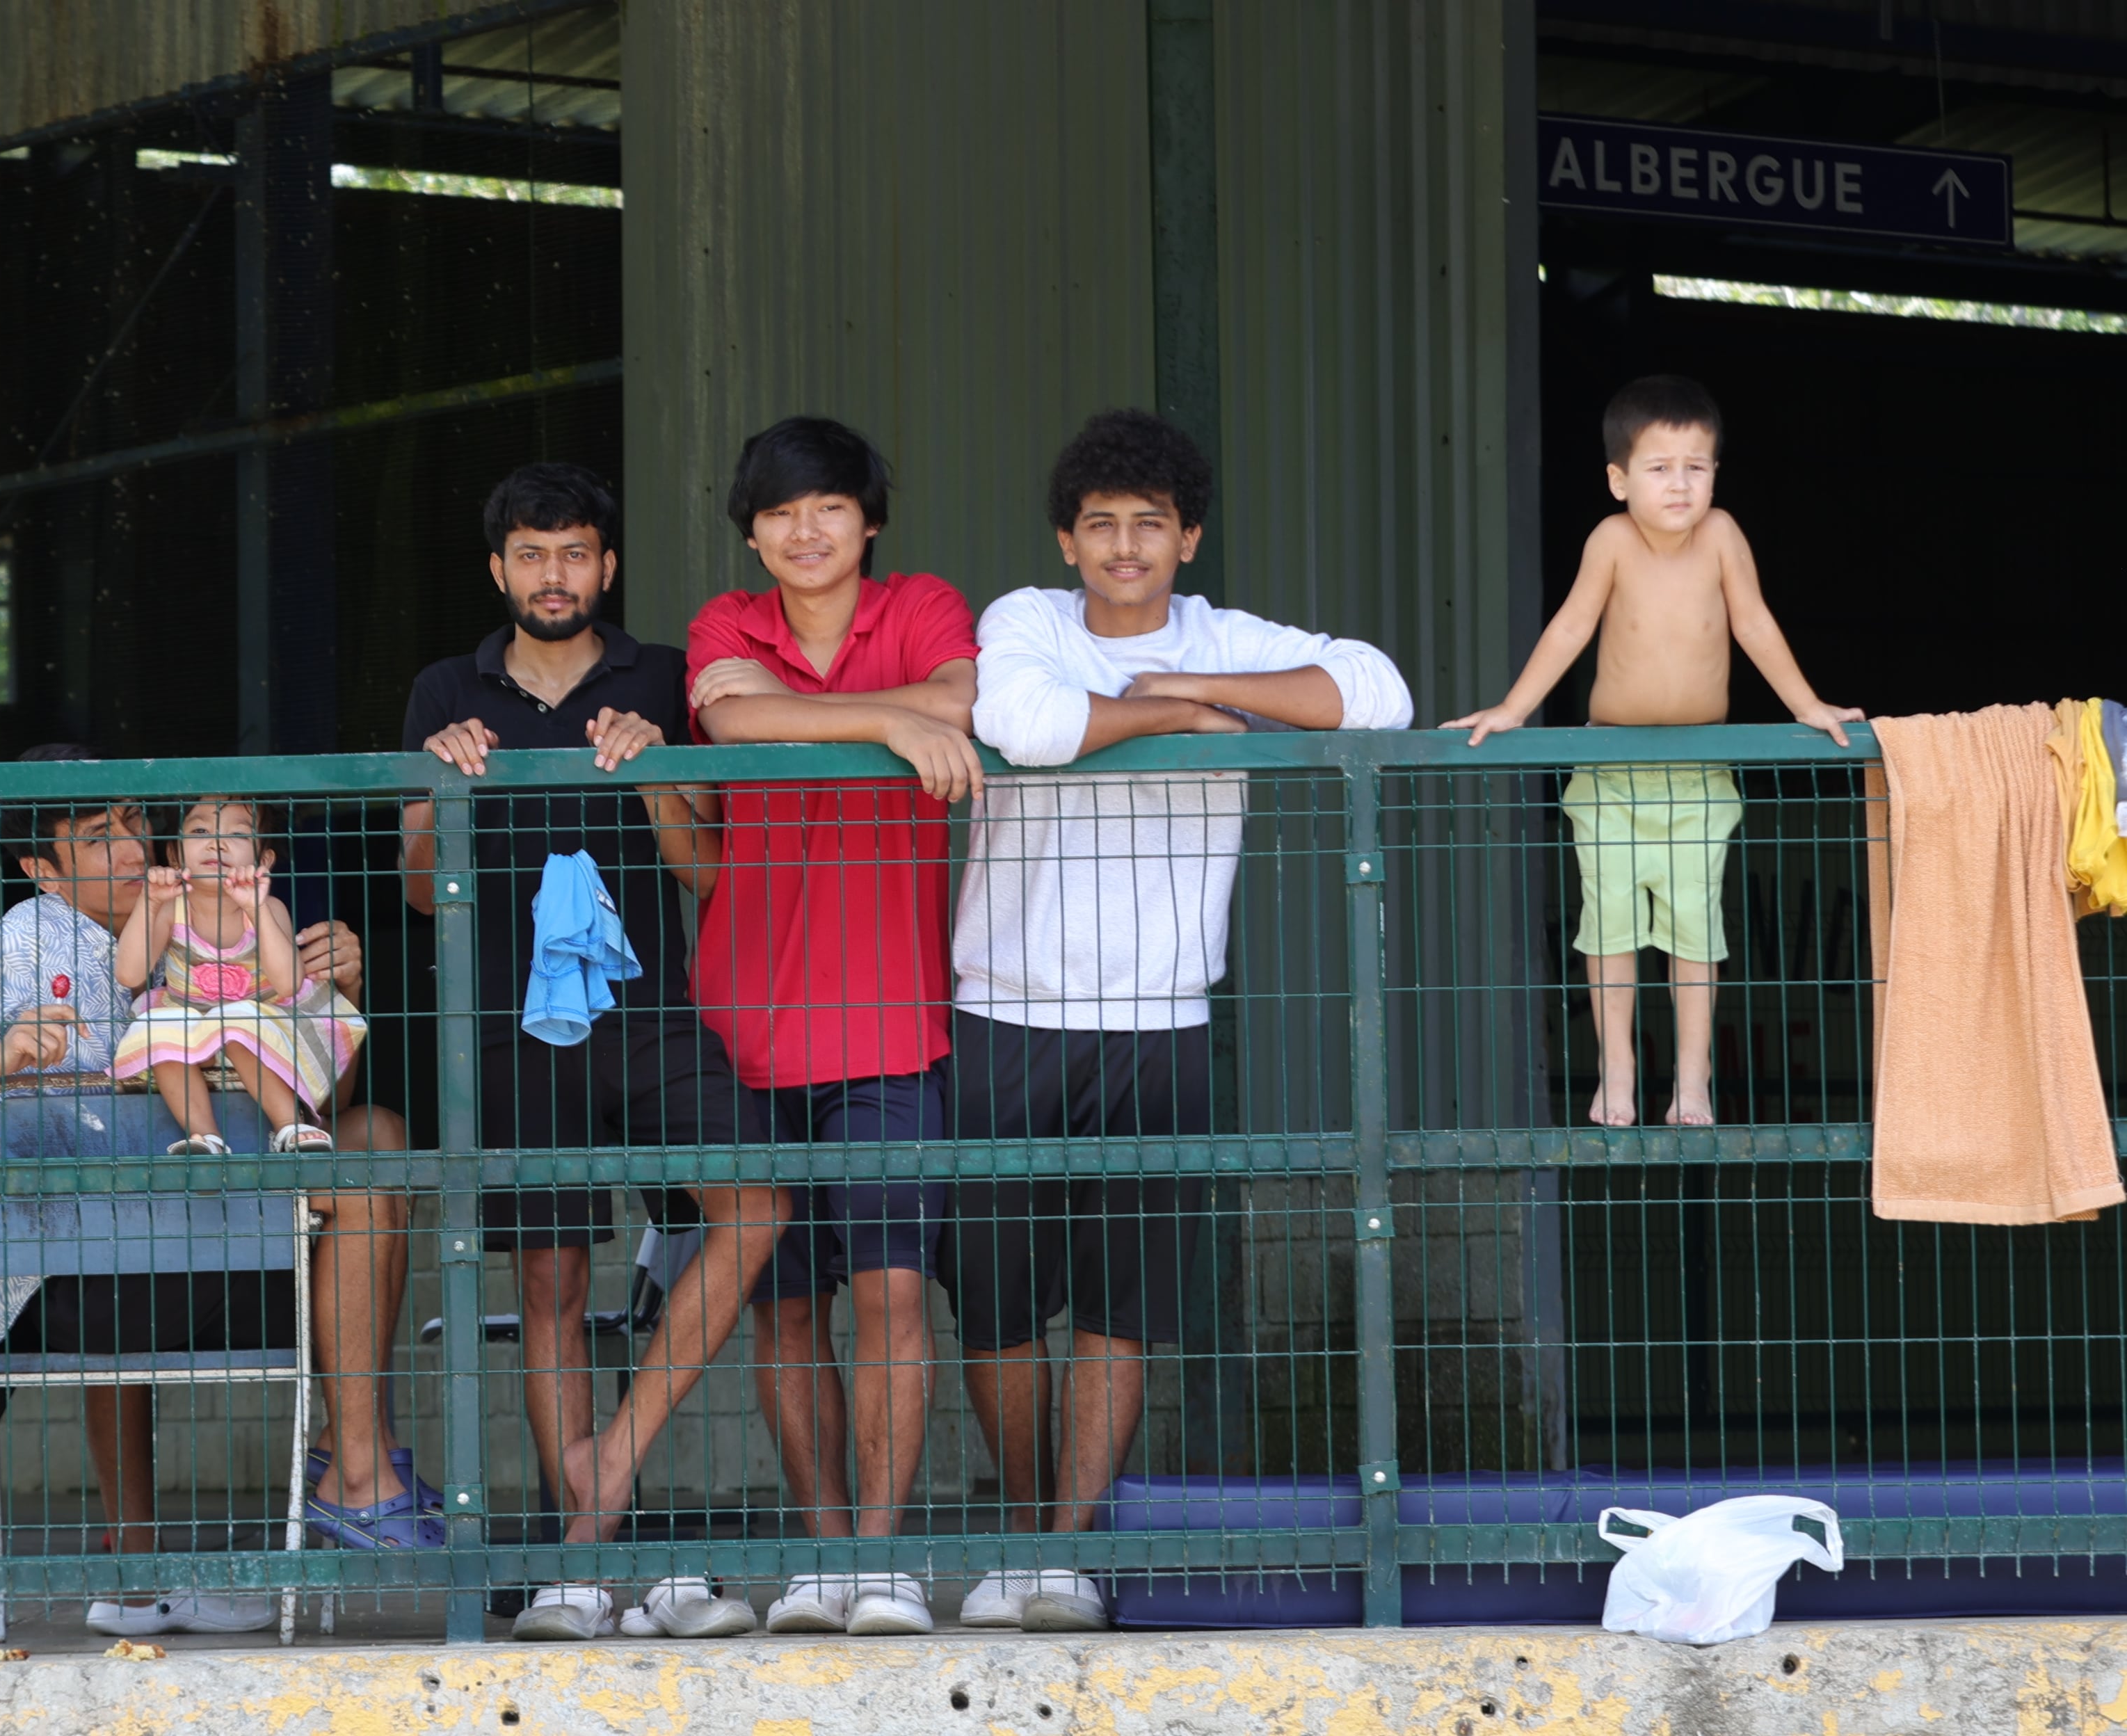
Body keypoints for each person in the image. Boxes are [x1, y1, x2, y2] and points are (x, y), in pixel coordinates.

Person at [951, 409, 1414, 1630]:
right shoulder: (1024, 623)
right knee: (997, 1306)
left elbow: (1380, 692)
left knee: (1123, 1304)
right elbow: (1027, 727)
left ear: (1186, 537)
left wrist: (1200, 681)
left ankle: (1064, 1553)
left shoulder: (1226, 639)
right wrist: (1168, 717)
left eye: (1145, 525)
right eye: (1097, 525)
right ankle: (1016, 1531)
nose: (1120, 547)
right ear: (1064, 538)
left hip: (1160, 1018)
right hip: (1004, 1008)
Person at [0, 746, 422, 1639]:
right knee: (122, 1235)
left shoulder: (216, 915)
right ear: (41, 869)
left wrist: (332, 989)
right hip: (75, 1279)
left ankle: (349, 1464)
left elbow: (309, 1111)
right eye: (98, 838)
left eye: (138, 823)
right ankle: (146, 1563)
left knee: (377, 1139)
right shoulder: (17, 942)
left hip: (220, 1230)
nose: (134, 848)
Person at [398, 462, 788, 1643]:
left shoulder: (659, 677)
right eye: (528, 553)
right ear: (497, 570)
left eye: (571, 552)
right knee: (552, 1286)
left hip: (651, 1012)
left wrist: (656, 764)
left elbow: (704, 874)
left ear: (604, 567)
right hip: (508, 1026)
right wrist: (436, 788)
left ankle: (605, 1473)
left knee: (755, 1199)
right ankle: (588, 1566)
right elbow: (420, 893)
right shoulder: (442, 688)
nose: (551, 573)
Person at [680, 415, 981, 1639]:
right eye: (779, 513)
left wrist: (900, 709)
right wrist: (886, 722)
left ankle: (883, 1564)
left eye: (828, 508)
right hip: (742, 1024)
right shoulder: (723, 623)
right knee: (783, 1308)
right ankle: (818, 1564)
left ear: (868, 518)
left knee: (892, 1299)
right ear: (752, 531)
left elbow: (960, 697)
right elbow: (729, 716)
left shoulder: (923, 603)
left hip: (891, 1026)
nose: (804, 532)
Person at [1444, 376, 1859, 1127]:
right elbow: (1570, 627)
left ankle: (1692, 1081)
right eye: (1658, 467)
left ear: (1715, 477)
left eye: (1696, 467)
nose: (1680, 484)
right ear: (1618, 479)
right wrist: (1513, 708)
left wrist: (1809, 706)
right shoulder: (1611, 541)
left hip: (1699, 772)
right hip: (1610, 770)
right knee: (1609, 929)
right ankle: (1618, 1071)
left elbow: (1755, 625)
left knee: (1696, 931)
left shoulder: (1723, 536)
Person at [112, 797, 364, 1155]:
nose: (216, 842)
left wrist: (255, 907)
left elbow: (289, 983)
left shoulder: (269, 908)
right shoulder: (170, 908)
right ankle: (204, 1136)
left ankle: (290, 1126)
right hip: (189, 1030)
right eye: (200, 831)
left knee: (237, 1017)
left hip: (262, 1031)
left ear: (263, 861)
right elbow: (129, 973)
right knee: (156, 1025)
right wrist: (149, 903)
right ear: (173, 855)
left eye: (237, 833)